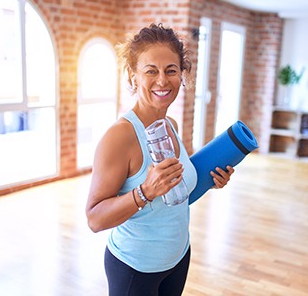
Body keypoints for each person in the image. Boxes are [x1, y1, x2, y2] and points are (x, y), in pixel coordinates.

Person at [85, 23, 235, 296]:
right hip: (135, 268)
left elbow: (175, 196)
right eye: (150, 71)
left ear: (182, 75)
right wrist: (144, 192)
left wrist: (209, 181)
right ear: (133, 76)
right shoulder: (119, 137)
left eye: (171, 70)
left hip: (178, 258)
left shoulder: (171, 126)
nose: (162, 81)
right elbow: (94, 219)